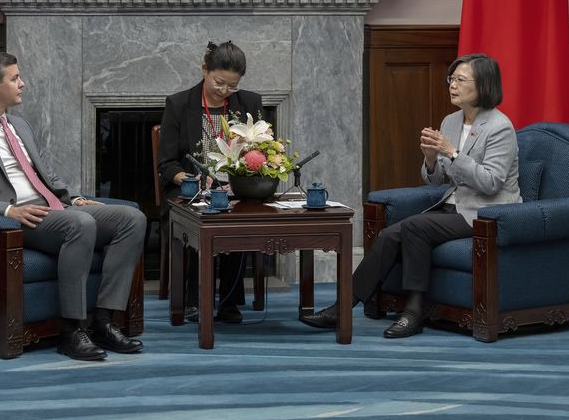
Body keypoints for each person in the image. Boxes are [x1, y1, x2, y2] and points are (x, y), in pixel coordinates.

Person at [0, 52, 147, 361]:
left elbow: (45, 174)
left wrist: (73, 198)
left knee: (132, 218)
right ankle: (71, 331)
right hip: (18, 218)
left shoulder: (19, 125)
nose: (23, 83)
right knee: (81, 224)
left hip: (53, 208)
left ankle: (104, 321)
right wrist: (10, 211)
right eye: (15, 78)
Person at [300, 53, 521, 338]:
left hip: (487, 213)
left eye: (460, 80)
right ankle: (341, 307)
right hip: (454, 207)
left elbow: (490, 183)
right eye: (451, 79)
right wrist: (431, 159)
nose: (452, 85)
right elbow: (438, 178)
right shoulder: (451, 121)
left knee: (416, 226)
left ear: (483, 85)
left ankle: (414, 312)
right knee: (390, 235)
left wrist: (451, 153)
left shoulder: (499, 127)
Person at [158, 41, 263, 323]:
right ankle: (193, 300)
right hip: (189, 190)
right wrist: (192, 180)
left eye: (232, 86)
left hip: (234, 189)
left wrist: (240, 182)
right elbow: (167, 164)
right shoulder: (179, 104)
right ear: (205, 70)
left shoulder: (250, 104)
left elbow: (261, 154)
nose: (224, 91)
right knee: (198, 219)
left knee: (238, 218)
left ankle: (228, 302)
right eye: (219, 83)